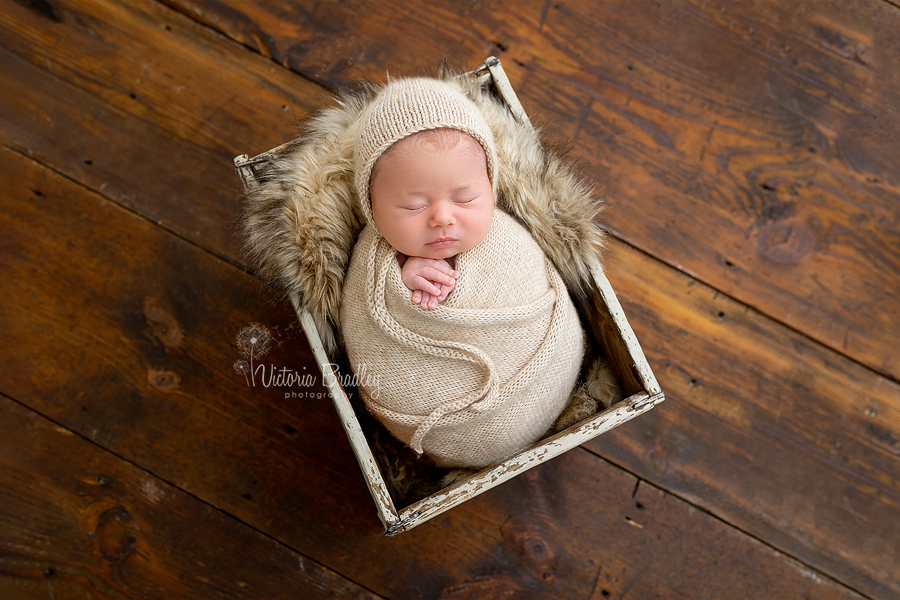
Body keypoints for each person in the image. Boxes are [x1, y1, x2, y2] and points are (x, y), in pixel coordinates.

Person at [369, 127, 493, 309]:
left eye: (465, 199)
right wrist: (401, 281)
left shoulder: (513, 243)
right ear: (371, 207)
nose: (443, 218)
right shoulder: (372, 261)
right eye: (415, 206)